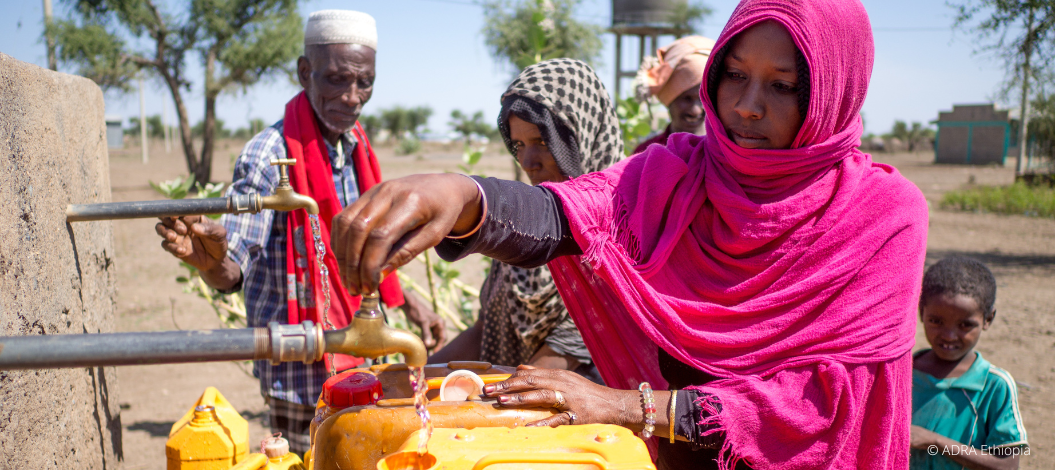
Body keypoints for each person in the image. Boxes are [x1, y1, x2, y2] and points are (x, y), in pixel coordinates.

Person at [330, 0, 928, 468]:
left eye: (783, 86)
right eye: (736, 75)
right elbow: (566, 215)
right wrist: (465, 195)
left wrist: (627, 406)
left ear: (833, 93)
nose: (746, 106)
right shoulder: (676, 174)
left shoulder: (882, 217)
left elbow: (823, 406)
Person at [153, 10, 444, 453]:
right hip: (300, 369)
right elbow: (233, 270)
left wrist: (412, 305)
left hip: (364, 354)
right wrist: (211, 261)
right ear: (305, 73)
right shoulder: (269, 154)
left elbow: (357, 250)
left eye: (364, 82)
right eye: (336, 79)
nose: (352, 97)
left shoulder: (356, 145)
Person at [427, 59, 621, 383]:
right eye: (519, 144)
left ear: (582, 136)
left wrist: (488, 400)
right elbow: (484, 328)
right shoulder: (523, 228)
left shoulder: (615, 231)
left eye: (542, 142)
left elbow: (568, 349)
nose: (528, 161)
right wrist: (414, 378)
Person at [910, 257, 1028, 470]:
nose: (949, 335)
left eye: (965, 325)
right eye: (936, 321)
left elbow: (1007, 466)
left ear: (988, 320)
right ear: (921, 312)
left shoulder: (994, 386)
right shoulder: (903, 372)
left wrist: (934, 441)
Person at [632, 36, 715, 154]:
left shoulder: (726, 156)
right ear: (669, 99)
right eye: (687, 99)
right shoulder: (644, 154)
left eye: (703, 99)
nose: (695, 111)